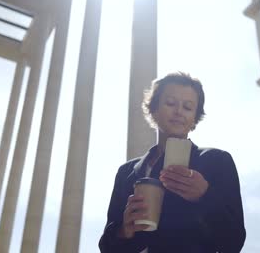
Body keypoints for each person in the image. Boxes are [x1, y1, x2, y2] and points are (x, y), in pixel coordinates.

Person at [99, 72, 246, 252]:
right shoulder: (126, 172)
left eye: (188, 107)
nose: (178, 112)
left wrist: (205, 196)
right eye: (170, 103)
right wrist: (124, 231)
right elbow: (106, 247)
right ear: (153, 110)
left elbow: (234, 242)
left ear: (195, 119)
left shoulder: (217, 162)